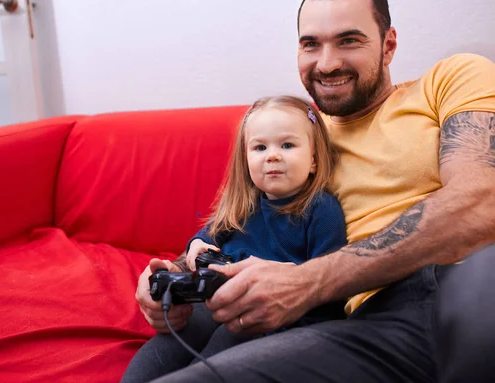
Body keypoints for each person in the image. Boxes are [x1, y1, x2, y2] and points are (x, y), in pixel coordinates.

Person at [128, 0, 495, 381]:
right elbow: (247, 231)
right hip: (360, 326)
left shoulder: (450, 80)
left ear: (388, 45)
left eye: (349, 40)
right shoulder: (295, 136)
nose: (327, 63)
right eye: (310, 44)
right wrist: (172, 275)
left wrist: (308, 281)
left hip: (456, 284)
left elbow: (480, 203)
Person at [121, 95, 348, 382]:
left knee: (222, 348)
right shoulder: (244, 205)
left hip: (272, 316)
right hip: (216, 301)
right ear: (246, 159)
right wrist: (196, 247)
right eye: (260, 147)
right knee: (171, 342)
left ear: (314, 160)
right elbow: (206, 237)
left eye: (287, 145)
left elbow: (328, 284)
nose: (272, 155)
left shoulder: (321, 210)